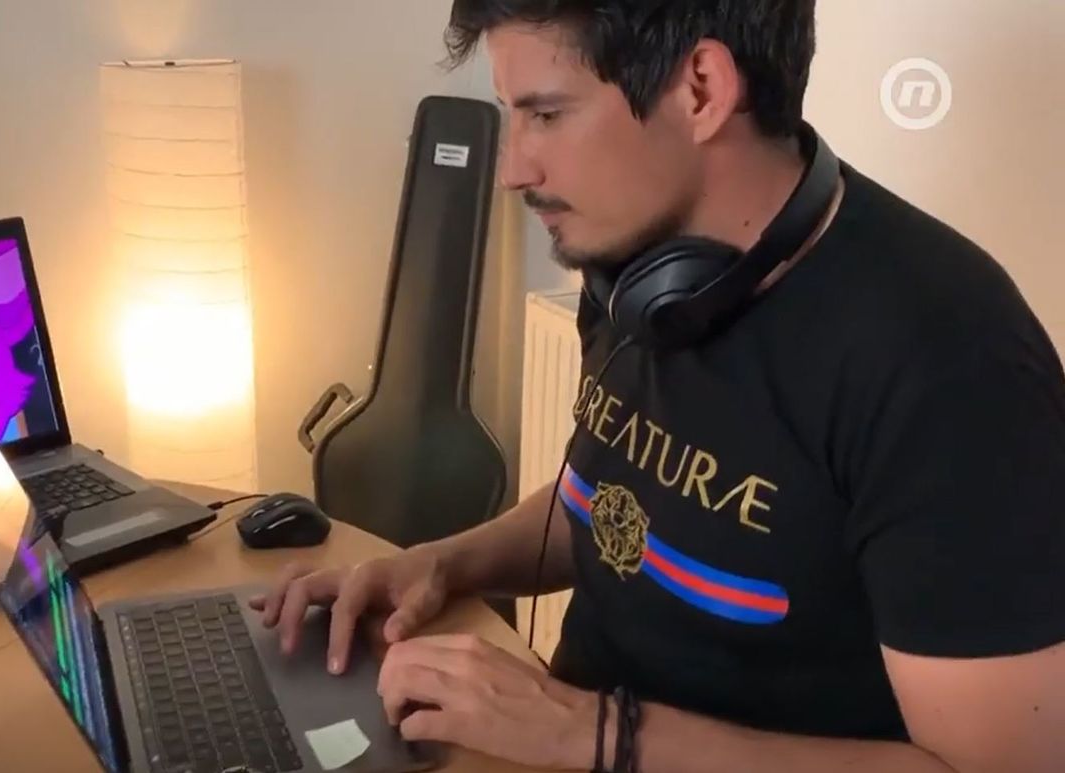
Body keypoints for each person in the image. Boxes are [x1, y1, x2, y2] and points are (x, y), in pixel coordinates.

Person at [252, 1, 1065, 771]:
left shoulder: (950, 362)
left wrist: (594, 731)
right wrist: (443, 563)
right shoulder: (635, 272)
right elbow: (616, 500)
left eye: (546, 114)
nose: (513, 168)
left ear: (701, 89)